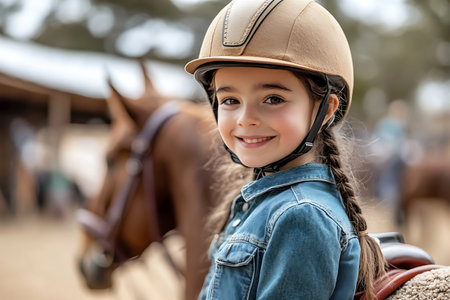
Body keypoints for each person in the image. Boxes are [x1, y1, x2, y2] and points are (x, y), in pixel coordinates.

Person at [185, 0, 386, 299]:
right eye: (230, 100)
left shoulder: (301, 217)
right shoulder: (264, 201)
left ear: (326, 108)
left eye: (273, 99)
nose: (245, 119)